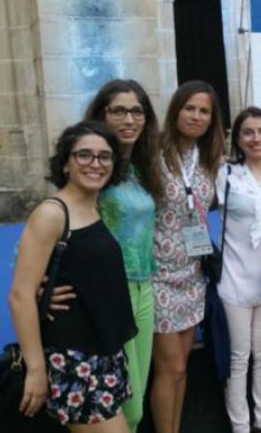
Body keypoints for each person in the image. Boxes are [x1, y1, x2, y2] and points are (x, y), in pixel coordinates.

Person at [9, 121, 136, 432]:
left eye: (104, 157)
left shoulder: (94, 208)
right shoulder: (52, 214)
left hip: (102, 353)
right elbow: (20, 295)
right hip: (72, 360)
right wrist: (36, 370)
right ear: (65, 163)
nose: (96, 164)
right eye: (84, 155)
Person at [84, 79, 163, 433]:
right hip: (108, 293)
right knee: (120, 407)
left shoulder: (139, 169)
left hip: (144, 288)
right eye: (119, 110)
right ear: (102, 115)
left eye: (137, 111)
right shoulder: (93, 168)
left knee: (136, 404)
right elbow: (60, 224)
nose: (129, 119)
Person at [151, 80, 225, 433]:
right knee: (170, 369)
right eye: (190, 108)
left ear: (212, 120)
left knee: (181, 367)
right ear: (176, 110)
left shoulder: (211, 160)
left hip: (193, 274)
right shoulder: (151, 155)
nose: (196, 116)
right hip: (157, 273)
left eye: (204, 111)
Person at [216, 107, 261, 433]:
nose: (256, 138)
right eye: (248, 132)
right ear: (238, 140)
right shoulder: (225, 176)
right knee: (238, 358)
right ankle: (241, 427)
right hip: (234, 280)